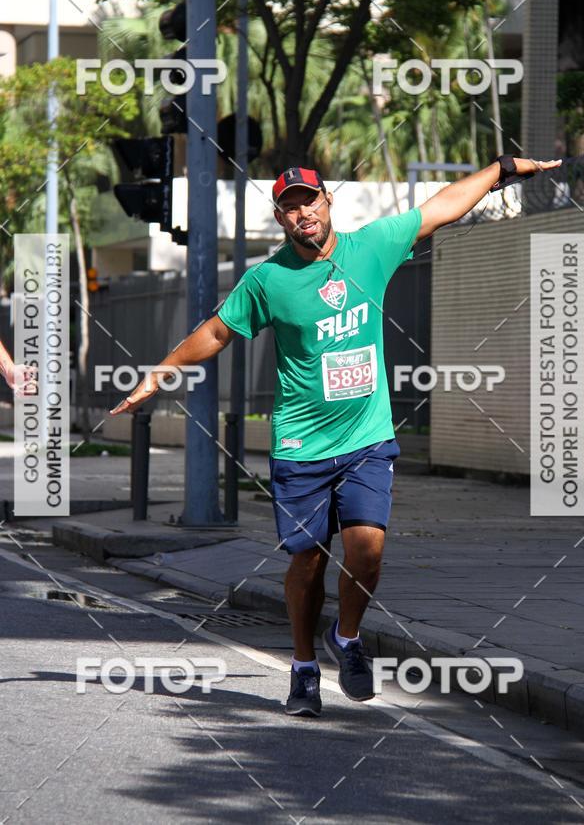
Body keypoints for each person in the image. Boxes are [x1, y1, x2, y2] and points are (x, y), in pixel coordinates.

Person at [111, 156, 560, 717]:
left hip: (367, 437)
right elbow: (217, 331)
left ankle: (345, 638)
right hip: (300, 446)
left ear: (328, 203)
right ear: (280, 218)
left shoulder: (372, 245)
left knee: (367, 552)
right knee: (307, 562)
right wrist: (160, 373)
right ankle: (302, 668)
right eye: (290, 207)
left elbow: (442, 204)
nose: (303, 213)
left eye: (310, 201)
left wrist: (502, 169)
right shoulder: (268, 280)